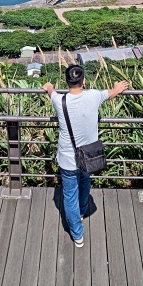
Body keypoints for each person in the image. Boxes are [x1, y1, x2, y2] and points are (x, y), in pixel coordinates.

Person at [43, 65, 129, 248]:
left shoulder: (59, 100)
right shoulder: (94, 95)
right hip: (88, 156)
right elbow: (111, 93)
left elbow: (50, 91)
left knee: (69, 194)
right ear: (84, 81)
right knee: (85, 180)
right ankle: (82, 210)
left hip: (67, 158)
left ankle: (77, 234)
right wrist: (117, 88)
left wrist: (49, 86)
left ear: (66, 82)